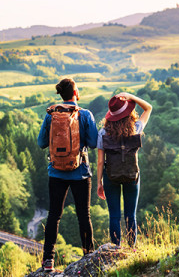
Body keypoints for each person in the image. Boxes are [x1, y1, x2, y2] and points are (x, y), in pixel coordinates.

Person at [37, 78, 98, 272]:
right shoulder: (85, 114)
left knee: (54, 215)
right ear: (75, 92)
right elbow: (95, 142)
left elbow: (41, 143)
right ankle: (88, 254)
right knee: (84, 215)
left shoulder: (51, 115)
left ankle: (48, 261)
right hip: (80, 172)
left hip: (56, 172)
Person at [97, 92, 152, 247]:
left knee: (114, 215)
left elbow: (100, 162)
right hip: (132, 176)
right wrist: (131, 96)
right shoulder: (136, 128)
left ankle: (115, 248)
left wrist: (99, 183)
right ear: (129, 113)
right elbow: (148, 108)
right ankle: (132, 248)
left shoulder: (103, 133)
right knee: (130, 215)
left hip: (110, 176)